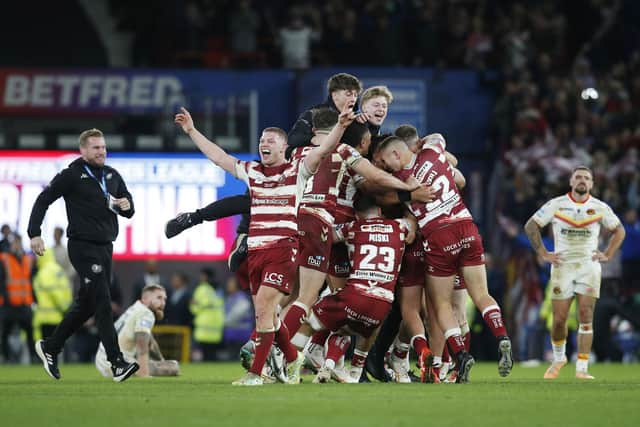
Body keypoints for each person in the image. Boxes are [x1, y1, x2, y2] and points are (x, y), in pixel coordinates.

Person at [175, 104, 371, 385]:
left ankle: (257, 373)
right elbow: (218, 157)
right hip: (256, 250)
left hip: (283, 249)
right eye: (261, 141)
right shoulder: (250, 171)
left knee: (266, 308)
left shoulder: (298, 170)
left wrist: (340, 126)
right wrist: (192, 130)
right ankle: (293, 358)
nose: (263, 144)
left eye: (270, 141)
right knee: (265, 315)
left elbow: (323, 150)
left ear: (284, 147)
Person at [376, 134, 513, 383]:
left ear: (396, 154)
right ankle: (502, 336)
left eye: (386, 161)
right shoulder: (433, 152)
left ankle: (459, 356)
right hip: (467, 227)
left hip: (439, 235)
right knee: (481, 294)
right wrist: (423, 144)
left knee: (440, 305)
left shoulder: (401, 180)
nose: (386, 167)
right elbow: (439, 139)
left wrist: (409, 193)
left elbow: (382, 196)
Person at [28, 128, 139, 382]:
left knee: (88, 303)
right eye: (96, 148)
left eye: (103, 147)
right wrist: (34, 233)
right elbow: (44, 199)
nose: (102, 151)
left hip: (105, 246)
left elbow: (128, 206)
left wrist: (127, 205)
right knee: (102, 299)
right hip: (82, 246)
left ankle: (51, 347)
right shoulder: (72, 174)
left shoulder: (112, 175)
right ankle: (117, 363)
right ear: (83, 150)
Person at [287, 195, 412, 383]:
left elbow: (327, 237)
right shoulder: (399, 227)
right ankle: (354, 370)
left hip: (355, 295)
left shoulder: (353, 227)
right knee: (355, 329)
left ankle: (290, 365)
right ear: (379, 211)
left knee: (310, 321)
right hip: (384, 302)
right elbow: (412, 225)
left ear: (357, 215)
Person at [524, 166, 626, 379]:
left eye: (586, 178)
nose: (582, 180)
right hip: (563, 266)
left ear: (591, 184)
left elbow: (620, 230)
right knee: (559, 319)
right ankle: (559, 358)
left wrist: (607, 253)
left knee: (586, 315)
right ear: (571, 182)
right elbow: (531, 226)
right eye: (578, 177)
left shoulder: (599, 207)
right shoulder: (557, 204)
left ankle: (582, 367)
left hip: (588, 266)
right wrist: (543, 253)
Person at [95, 284, 180, 378]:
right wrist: (144, 374)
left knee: (167, 364)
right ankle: (133, 371)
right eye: (159, 298)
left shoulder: (136, 307)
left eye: (164, 299)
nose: (163, 303)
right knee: (173, 367)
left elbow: (150, 342)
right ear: (145, 299)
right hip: (115, 365)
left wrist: (161, 360)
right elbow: (141, 343)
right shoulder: (146, 313)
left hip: (102, 358)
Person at [0, 234, 36, 362]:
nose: (17, 245)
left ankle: (33, 356)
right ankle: (5, 357)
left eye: (19, 242)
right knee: (5, 332)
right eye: (15, 242)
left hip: (24, 303)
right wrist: (5, 298)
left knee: (29, 332)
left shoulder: (27, 259)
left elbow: (30, 280)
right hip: (9, 303)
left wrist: (34, 299)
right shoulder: (4, 258)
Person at [32, 248, 72, 342]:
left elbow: (53, 291)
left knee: (46, 351)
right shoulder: (58, 269)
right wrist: (66, 309)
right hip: (59, 317)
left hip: (46, 319)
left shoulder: (44, 272)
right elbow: (66, 289)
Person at [190, 268, 224, 361]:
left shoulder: (202, 289)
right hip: (216, 327)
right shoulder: (218, 290)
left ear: (205, 277)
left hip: (203, 328)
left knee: (203, 356)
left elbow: (194, 308)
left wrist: (194, 306)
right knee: (212, 356)